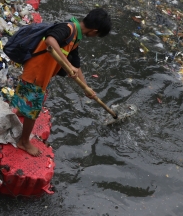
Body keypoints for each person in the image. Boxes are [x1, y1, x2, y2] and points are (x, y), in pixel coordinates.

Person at [10, 8, 111, 156]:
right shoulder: (68, 29)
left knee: (28, 96)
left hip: (40, 72)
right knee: (33, 110)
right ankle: (24, 142)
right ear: (95, 31)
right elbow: (50, 40)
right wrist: (67, 64)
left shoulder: (75, 37)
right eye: (97, 35)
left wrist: (86, 88)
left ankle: (20, 112)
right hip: (37, 72)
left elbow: (76, 66)